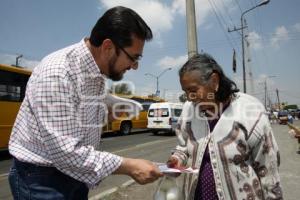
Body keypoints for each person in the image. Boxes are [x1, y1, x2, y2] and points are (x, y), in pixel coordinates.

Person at [8, 6, 163, 200]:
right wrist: (129, 166)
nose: (134, 66)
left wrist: (111, 107)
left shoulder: (94, 70)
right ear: (108, 47)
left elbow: (84, 106)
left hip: (74, 175)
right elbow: (66, 153)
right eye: (133, 57)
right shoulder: (57, 74)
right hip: (43, 181)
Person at [167, 53, 283, 200]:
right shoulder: (189, 110)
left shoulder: (250, 111)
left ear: (214, 81)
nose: (189, 97)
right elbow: (183, 147)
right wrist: (177, 160)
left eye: (193, 90)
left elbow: (269, 169)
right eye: (186, 92)